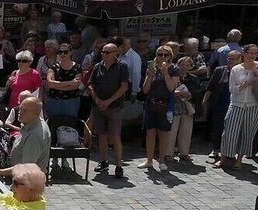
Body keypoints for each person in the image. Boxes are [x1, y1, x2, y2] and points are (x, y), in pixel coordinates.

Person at [218, 43, 258, 171]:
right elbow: (232, 89)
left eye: (255, 53)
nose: (253, 55)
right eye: (250, 53)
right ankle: (223, 158)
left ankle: (239, 160)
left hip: (254, 105)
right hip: (236, 104)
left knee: (248, 133)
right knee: (229, 132)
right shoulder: (236, 69)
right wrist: (246, 83)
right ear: (244, 53)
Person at [89, 42, 130, 179]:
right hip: (99, 106)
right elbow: (91, 85)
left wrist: (109, 101)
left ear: (115, 53)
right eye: (103, 52)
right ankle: (104, 161)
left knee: (115, 136)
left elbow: (124, 87)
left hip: (114, 107)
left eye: (107, 52)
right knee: (101, 134)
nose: (104, 54)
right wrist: (97, 100)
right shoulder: (97, 66)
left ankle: (118, 165)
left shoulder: (122, 66)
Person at [139, 45, 178, 171]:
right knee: (150, 132)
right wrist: (150, 75)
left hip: (165, 104)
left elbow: (171, 87)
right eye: (160, 54)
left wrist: (165, 73)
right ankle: (149, 160)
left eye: (166, 55)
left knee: (163, 133)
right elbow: (145, 89)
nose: (162, 57)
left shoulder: (174, 69)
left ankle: (161, 160)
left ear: (170, 56)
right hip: (151, 103)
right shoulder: (152, 68)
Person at [203, 50, 240, 162]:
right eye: (229, 58)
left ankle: (229, 151)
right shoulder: (219, 70)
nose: (230, 61)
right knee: (217, 128)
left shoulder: (241, 71)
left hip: (235, 104)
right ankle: (216, 149)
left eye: (233, 59)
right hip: (219, 104)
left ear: (239, 60)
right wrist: (205, 100)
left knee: (232, 129)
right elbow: (211, 87)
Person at [6, 95, 51, 174]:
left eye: (25, 110)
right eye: (20, 109)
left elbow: (26, 168)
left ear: (37, 113)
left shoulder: (35, 135)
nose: (20, 112)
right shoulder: (30, 123)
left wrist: (0, 172)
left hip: (27, 178)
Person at [45, 42, 82, 119]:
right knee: (54, 122)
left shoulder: (77, 67)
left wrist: (56, 85)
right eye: (60, 52)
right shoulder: (54, 67)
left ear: (70, 52)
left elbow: (75, 86)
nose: (62, 54)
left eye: (65, 52)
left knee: (70, 122)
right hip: (55, 100)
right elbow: (50, 84)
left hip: (71, 101)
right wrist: (70, 82)